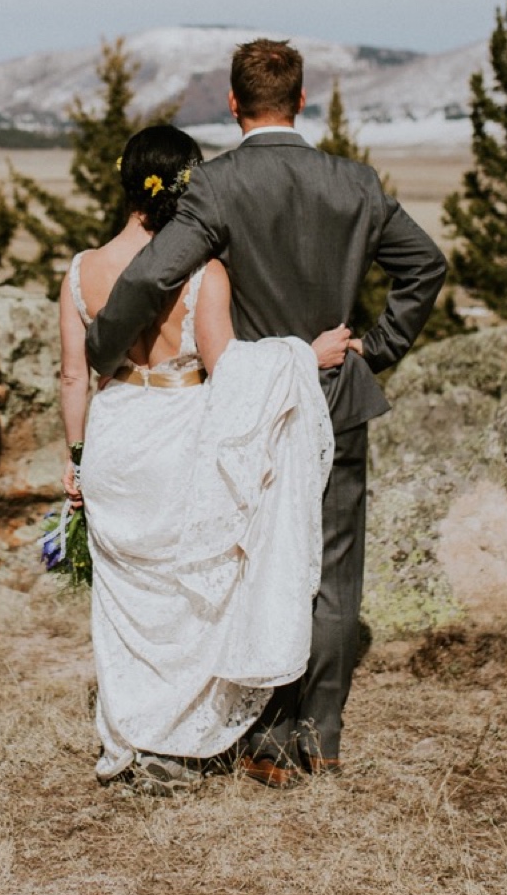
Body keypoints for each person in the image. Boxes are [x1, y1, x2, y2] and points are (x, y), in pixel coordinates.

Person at [86, 39, 447, 787]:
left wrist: (104, 350)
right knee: (334, 574)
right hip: (336, 397)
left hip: (254, 407)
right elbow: (425, 265)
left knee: (262, 564)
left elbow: (152, 272)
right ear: (302, 99)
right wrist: (373, 352)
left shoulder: (215, 189)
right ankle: (323, 738)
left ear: (231, 102)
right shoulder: (353, 183)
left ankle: (267, 739)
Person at [59, 122, 354, 795]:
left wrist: (75, 460)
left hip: (115, 437)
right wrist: (303, 357)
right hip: (179, 437)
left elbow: (74, 378)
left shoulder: (81, 272)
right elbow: (227, 367)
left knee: (125, 603)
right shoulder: (201, 269)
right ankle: (175, 744)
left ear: (127, 182)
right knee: (189, 599)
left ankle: (129, 737)